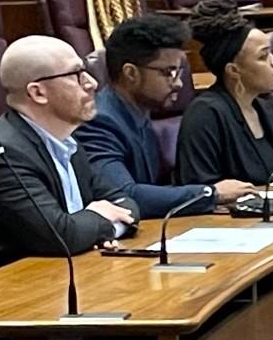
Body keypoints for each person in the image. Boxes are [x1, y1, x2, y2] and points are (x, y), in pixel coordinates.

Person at [0, 36, 139, 286]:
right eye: (76, 75)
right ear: (38, 92)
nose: (92, 83)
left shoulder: (67, 142)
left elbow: (125, 204)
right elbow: (62, 237)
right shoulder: (3, 156)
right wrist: (98, 222)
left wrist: (95, 228)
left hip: (46, 280)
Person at [78, 13, 257, 218]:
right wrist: (210, 194)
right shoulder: (99, 122)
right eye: (169, 72)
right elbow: (122, 197)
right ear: (131, 73)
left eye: (180, 72)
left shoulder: (139, 113)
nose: (179, 84)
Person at [175, 0, 273, 187]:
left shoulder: (264, 107)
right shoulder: (205, 114)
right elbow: (199, 190)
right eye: (263, 56)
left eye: (271, 53)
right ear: (233, 70)